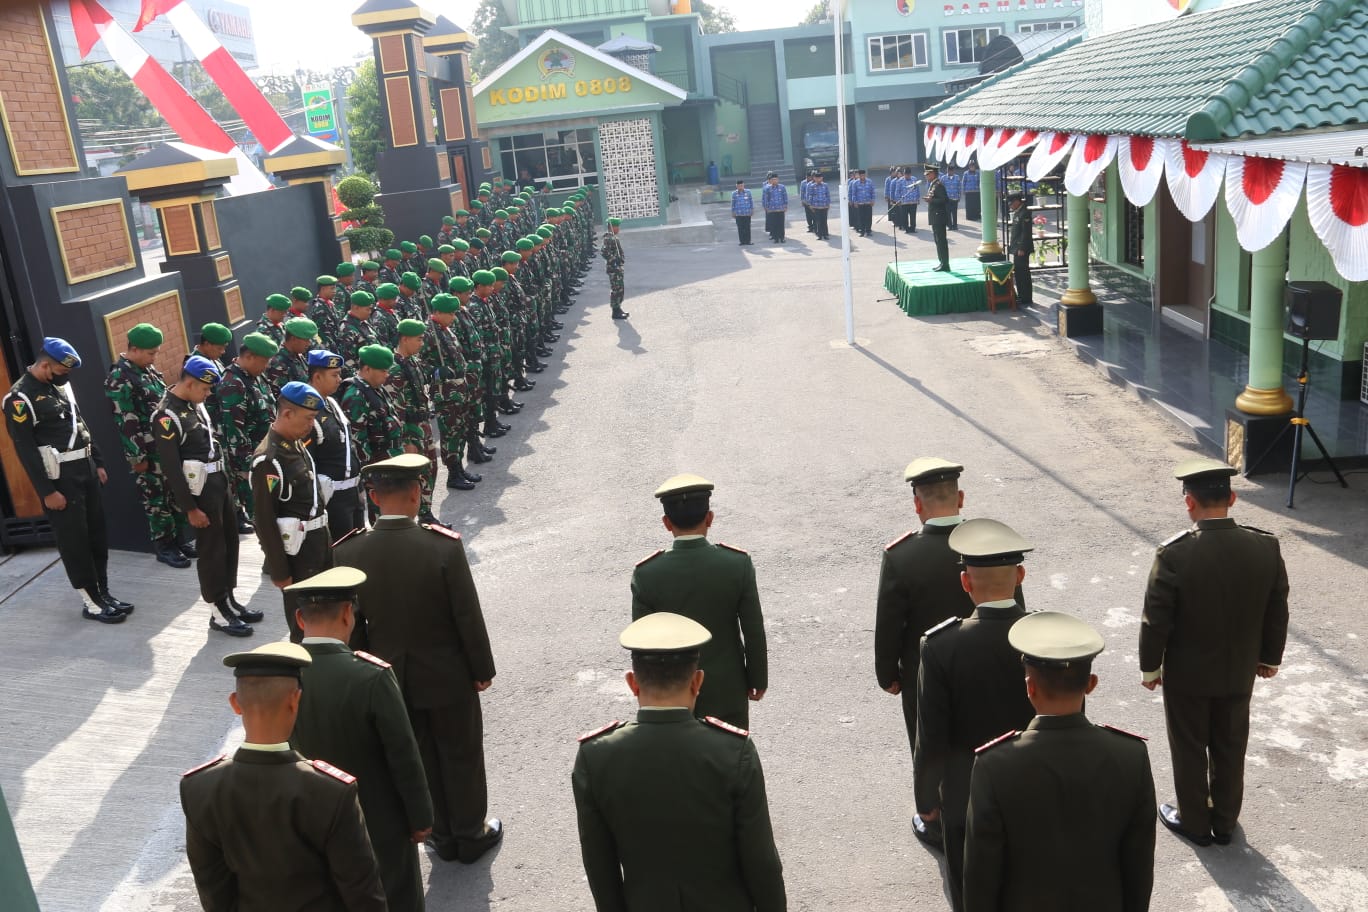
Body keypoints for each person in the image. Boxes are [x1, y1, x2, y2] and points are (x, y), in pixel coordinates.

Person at [335, 454, 501, 865]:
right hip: (448, 675)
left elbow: (355, 627)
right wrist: (481, 670)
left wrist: (366, 674)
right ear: (417, 492)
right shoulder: (442, 546)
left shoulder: (350, 551)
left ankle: (440, 834)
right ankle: (470, 833)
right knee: (461, 754)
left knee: (419, 756)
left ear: (374, 498)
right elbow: (466, 615)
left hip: (390, 678)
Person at [572, 612, 786, 912]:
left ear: (632, 683)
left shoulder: (595, 756)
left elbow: (600, 866)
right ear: (697, 681)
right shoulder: (733, 751)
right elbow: (761, 860)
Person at [1140, 457, 1289, 848]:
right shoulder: (1265, 546)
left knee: (1189, 746)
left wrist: (1150, 668)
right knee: (1231, 744)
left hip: (1188, 675)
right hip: (1239, 670)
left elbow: (1156, 619)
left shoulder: (1174, 553)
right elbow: (1277, 607)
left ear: (1189, 501)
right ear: (1233, 498)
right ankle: (1224, 821)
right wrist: (1269, 658)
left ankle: (1194, 822)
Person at [963, 612, 1156, 912]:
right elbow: (1139, 866)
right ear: (1091, 684)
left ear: (1030, 687)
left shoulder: (994, 765)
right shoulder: (1131, 756)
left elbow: (981, 875)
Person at [180, 641, 385, 911]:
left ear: (235, 703)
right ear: (295, 700)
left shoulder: (199, 787)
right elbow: (362, 892)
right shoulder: (332, 791)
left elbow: (212, 889)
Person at [288, 567, 434, 912]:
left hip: (308, 825)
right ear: (347, 614)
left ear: (300, 618)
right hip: (378, 824)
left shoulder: (281, 676)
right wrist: (420, 818)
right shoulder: (371, 676)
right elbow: (403, 755)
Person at [914, 519, 1036, 912]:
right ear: (1020, 576)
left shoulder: (940, 647)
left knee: (970, 890)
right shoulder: (1045, 641)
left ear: (965, 582)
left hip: (965, 795)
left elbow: (931, 736)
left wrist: (926, 799)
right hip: (1033, 791)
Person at [873, 458, 987, 849]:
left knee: (928, 744)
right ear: (961, 498)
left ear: (917, 504)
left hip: (923, 673)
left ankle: (936, 817)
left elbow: (890, 623)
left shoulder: (902, 556)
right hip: (982, 666)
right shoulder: (989, 547)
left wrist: (888, 674)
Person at [3, 338, 130, 622]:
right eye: (62, 370)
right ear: (46, 365)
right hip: (59, 478)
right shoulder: (19, 399)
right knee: (75, 541)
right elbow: (25, 449)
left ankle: (103, 593)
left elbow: (80, 425)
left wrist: (97, 461)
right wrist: (47, 491)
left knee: (96, 535)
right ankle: (91, 601)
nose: (65, 375)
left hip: (84, 469)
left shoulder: (58, 387)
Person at [631, 474, 767, 730]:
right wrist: (758, 679)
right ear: (709, 518)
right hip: (727, 688)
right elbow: (753, 630)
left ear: (666, 523)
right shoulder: (736, 565)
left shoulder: (647, 574)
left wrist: (647, 696)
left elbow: (643, 645)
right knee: (730, 751)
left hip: (670, 693)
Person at [155, 356, 258, 637]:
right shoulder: (166, 416)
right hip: (199, 493)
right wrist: (190, 509)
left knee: (229, 544)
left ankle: (229, 599)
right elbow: (172, 469)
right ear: (189, 383)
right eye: (205, 388)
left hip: (218, 484)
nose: (208, 393)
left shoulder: (194, 405)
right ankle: (218, 610)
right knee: (212, 551)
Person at [251, 382, 332, 642]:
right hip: (299, 555)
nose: (312, 424)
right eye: (308, 418)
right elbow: (264, 520)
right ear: (287, 413)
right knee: (304, 623)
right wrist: (279, 571)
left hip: (318, 543)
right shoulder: (269, 459)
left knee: (325, 614)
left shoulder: (295, 444)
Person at [104, 322, 190, 569]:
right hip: (147, 453)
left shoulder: (146, 370)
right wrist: (137, 457)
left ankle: (179, 541)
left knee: (173, 495)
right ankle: (164, 547)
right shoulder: (120, 378)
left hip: (164, 448)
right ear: (135, 349)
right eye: (151, 353)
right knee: (156, 501)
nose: (154, 358)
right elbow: (125, 421)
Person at [212, 333, 277, 533]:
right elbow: (234, 431)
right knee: (262, 516)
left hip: (266, 454)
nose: (266, 366)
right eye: (263, 361)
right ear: (248, 357)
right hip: (250, 462)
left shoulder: (255, 376)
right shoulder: (233, 384)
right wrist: (246, 468)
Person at [303, 351, 364, 541]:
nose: (339, 379)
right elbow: (306, 463)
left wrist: (359, 488)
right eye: (334, 375)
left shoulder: (331, 402)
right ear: (317, 377)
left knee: (356, 548)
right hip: (331, 499)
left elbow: (348, 447)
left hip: (351, 494)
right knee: (340, 550)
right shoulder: (307, 412)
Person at [264, 318, 315, 398]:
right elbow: (283, 398)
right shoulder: (278, 363)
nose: (309, 344)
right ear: (293, 339)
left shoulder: (297, 355)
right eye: (306, 340)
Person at [1007, 192, 1034, 307]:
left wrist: (1022, 247)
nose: (1010, 206)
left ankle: (1026, 297)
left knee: (1023, 273)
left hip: (1021, 249)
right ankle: (1021, 295)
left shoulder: (1024, 213)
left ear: (1017, 201)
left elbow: (1025, 233)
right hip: (1017, 248)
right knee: (1019, 273)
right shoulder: (1018, 212)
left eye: (1011, 203)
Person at [925, 164, 951, 271]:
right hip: (935, 217)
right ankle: (942, 262)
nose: (926, 176)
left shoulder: (938, 185)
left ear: (933, 174)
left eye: (928, 174)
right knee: (938, 241)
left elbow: (945, 199)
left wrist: (931, 200)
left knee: (941, 241)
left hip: (939, 217)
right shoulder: (933, 184)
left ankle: (945, 264)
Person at [602, 217, 628, 319]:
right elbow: (604, 252)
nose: (619, 229)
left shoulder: (613, 237)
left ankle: (618, 307)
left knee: (620, 288)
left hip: (618, 268)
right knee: (616, 289)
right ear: (613, 227)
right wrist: (614, 260)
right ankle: (615, 311)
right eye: (617, 226)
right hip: (613, 268)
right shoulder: (608, 238)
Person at [761, 172, 788, 243]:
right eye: (773, 179)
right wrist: (766, 207)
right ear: (770, 180)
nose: (774, 181)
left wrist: (785, 206)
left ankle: (782, 237)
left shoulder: (782, 187)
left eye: (776, 179)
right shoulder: (767, 188)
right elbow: (766, 199)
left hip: (780, 208)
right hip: (772, 209)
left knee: (781, 224)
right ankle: (776, 238)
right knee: (774, 224)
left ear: (778, 180)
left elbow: (785, 197)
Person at [849, 168, 875, 237]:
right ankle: (862, 231)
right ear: (859, 175)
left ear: (865, 175)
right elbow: (853, 194)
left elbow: (872, 191)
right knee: (861, 218)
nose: (862, 177)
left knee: (868, 217)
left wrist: (873, 200)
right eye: (861, 175)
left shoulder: (869, 181)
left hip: (868, 203)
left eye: (863, 175)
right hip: (860, 203)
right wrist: (855, 202)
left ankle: (868, 231)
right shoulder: (855, 183)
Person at [807, 172, 831, 240]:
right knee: (818, 221)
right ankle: (819, 235)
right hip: (816, 206)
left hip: (824, 206)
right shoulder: (812, 186)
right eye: (817, 178)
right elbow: (810, 196)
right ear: (814, 178)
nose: (818, 179)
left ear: (822, 178)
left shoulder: (825, 185)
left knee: (824, 221)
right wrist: (810, 205)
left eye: (820, 178)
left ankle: (825, 234)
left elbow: (828, 195)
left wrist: (828, 204)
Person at [731, 179, 754, 246]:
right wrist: (733, 212)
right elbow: (733, 203)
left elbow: (751, 201)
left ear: (743, 185)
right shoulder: (734, 193)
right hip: (738, 214)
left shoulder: (748, 192)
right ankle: (742, 241)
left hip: (747, 213)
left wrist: (752, 209)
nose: (741, 187)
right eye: (739, 186)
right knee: (740, 228)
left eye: (742, 185)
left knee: (747, 227)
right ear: (737, 186)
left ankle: (748, 241)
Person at [943, 165, 962, 230]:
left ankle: (955, 226)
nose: (950, 172)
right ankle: (949, 226)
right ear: (947, 170)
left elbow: (959, 187)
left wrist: (959, 196)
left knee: (954, 213)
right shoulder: (943, 178)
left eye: (951, 171)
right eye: (948, 170)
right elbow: (941, 188)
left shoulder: (957, 177)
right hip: (947, 199)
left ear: (953, 171)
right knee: (948, 213)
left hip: (955, 198)